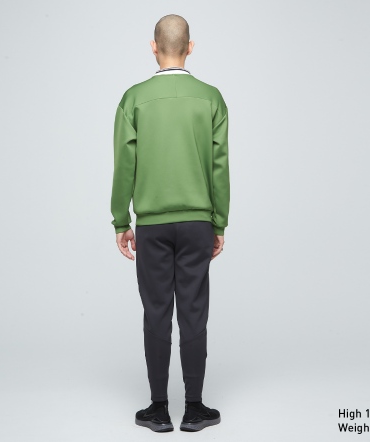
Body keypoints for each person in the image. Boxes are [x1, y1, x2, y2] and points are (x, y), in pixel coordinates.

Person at [110, 14, 230, 433]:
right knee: (194, 312)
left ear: (153, 47)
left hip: (152, 225)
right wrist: (219, 222)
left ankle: (158, 409)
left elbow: (124, 165)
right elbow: (219, 167)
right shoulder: (211, 98)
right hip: (197, 223)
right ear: (190, 47)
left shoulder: (134, 99)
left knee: (156, 312)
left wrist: (120, 220)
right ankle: (194, 409)